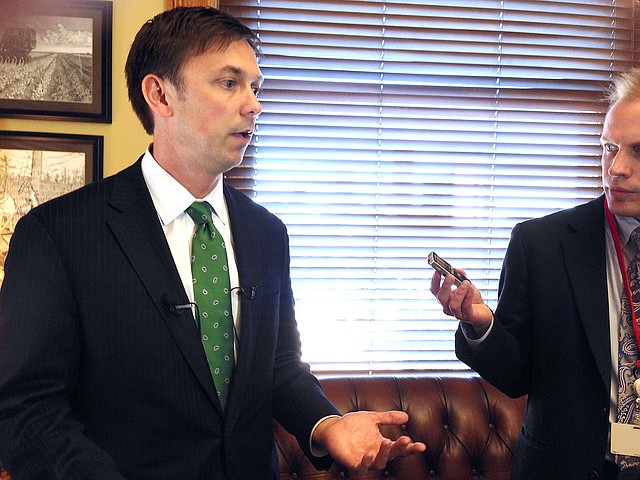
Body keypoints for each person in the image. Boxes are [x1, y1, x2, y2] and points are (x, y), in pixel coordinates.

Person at [0, 7, 425, 479]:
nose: (254, 105)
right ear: (160, 94)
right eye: (229, 83)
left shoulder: (267, 233)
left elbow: (279, 366)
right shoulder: (58, 234)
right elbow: (25, 410)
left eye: (256, 87)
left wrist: (327, 425)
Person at [430, 67, 640, 479]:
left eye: (637, 151)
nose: (615, 168)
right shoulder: (541, 244)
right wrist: (480, 324)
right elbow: (516, 374)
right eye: (608, 147)